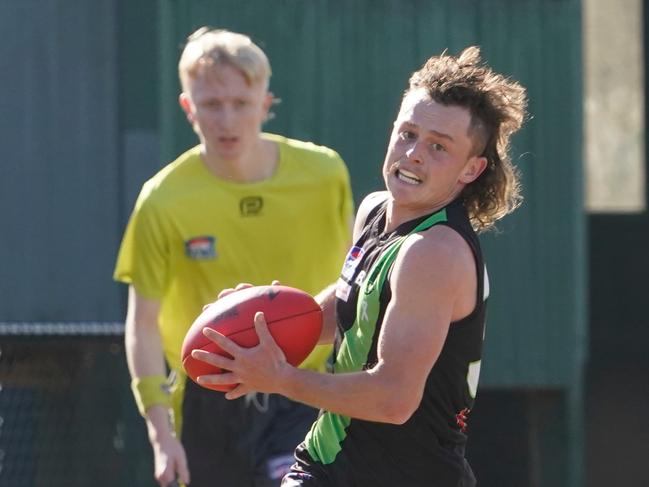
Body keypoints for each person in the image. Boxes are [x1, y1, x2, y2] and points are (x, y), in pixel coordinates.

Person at [191, 46, 528, 486]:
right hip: (328, 463)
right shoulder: (375, 211)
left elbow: (393, 399)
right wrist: (263, 326)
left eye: (438, 147)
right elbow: (355, 304)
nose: (413, 154)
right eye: (408, 133)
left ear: (471, 169)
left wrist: (279, 378)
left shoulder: (433, 254)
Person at [113, 28, 354, 487]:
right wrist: (162, 435)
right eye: (211, 104)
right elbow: (142, 323)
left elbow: (354, 281)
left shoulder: (325, 174)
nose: (227, 120)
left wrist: (359, 385)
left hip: (301, 389)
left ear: (265, 103)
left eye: (241, 104)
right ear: (188, 107)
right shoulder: (163, 200)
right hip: (210, 399)